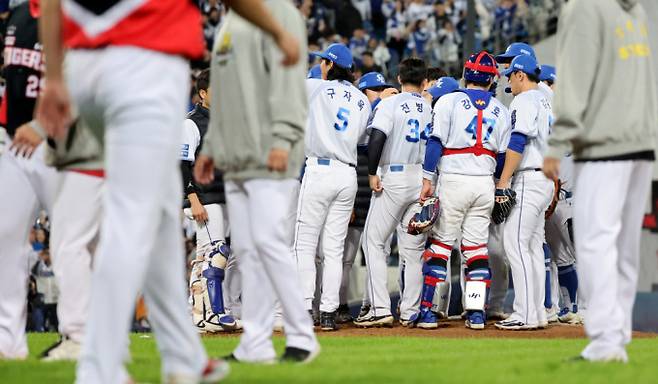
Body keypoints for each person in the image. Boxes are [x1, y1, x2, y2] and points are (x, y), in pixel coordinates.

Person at [37, 0, 229, 381]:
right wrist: (278, 32)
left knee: (158, 216)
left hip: (86, 64)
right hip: (146, 62)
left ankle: (183, 355)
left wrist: (56, 77)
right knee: (130, 220)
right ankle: (97, 366)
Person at [195, 0, 319, 362]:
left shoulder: (281, 14)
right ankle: (255, 343)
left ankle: (301, 335)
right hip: (236, 155)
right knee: (248, 251)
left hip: (270, 150)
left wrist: (284, 137)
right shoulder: (229, 23)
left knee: (268, 242)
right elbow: (225, 94)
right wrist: (212, 147)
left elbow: (289, 84)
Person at [543, 0, 657, 362]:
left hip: (604, 143)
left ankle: (607, 340)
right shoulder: (633, 10)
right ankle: (616, 335)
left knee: (595, 243)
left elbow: (575, 81)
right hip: (641, 142)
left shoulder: (585, 7)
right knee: (623, 247)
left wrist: (558, 143)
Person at [419, 51, 511, 330]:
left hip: (455, 178)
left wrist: (426, 178)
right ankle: (475, 313)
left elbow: (435, 143)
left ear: (467, 74)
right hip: (484, 181)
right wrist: (497, 184)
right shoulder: (501, 109)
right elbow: (504, 157)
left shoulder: (448, 101)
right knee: (476, 249)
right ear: (491, 78)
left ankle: (426, 311)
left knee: (441, 246)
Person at [294, 43, 371, 331]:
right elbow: (363, 142)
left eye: (323, 61)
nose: (321, 66)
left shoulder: (314, 87)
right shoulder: (362, 100)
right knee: (334, 249)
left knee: (304, 245)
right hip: (347, 174)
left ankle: (304, 309)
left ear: (329, 64)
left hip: (320, 170)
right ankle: (328, 312)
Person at [0, 0, 61, 360]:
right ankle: (8, 339)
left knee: (72, 244)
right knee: (6, 239)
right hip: (14, 144)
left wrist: (42, 126)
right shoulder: (20, 15)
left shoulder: (74, 16)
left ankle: (81, 334)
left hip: (59, 147)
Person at [354, 57, 431, 328]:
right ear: (424, 82)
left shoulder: (391, 103)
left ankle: (379, 308)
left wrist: (372, 172)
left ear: (399, 79)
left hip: (394, 177)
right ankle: (410, 312)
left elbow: (377, 137)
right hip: (421, 177)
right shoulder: (431, 107)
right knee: (413, 251)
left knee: (373, 242)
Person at [494, 54, 553, 331]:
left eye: (510, 76)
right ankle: (538, 312)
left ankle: (526, 313)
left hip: (529, 177)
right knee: (531, 247)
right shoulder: (546, 100)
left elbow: (519, 139)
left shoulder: (525, 99)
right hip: (546, 178)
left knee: (514, 242)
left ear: (520, 75)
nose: (509, 81)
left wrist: (504, 180)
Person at [181, 69, 238, 333]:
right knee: (215, 254)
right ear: (203, 93)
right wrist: (192, 200)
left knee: (207, 255)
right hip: (203, 198)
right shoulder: (191, 123)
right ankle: (210, 314)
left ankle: (199, 315)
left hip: (224, 196)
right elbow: (181, 164)